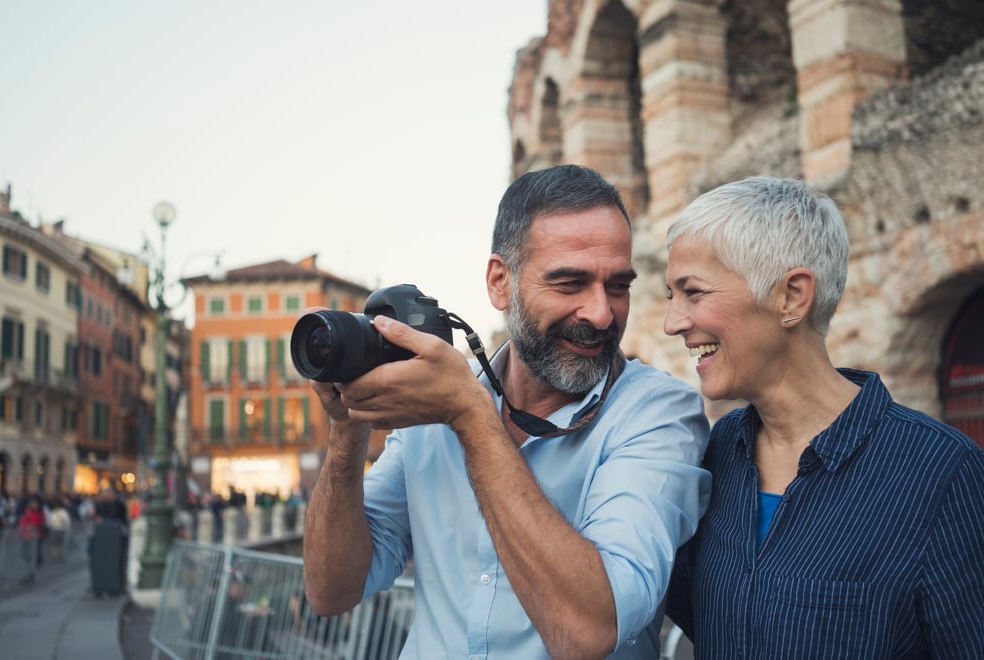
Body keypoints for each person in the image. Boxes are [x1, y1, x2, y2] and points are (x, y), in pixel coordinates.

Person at [302, 164, 711, 658]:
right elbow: (331, 590)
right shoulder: (434, 412)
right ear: (500, 283)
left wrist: (471, 416)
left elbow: (588, 631)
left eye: (618, 286)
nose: (602, 313)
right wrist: (346, 428)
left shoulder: (658, 415)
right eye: (569, 283)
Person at [662, 176, 984, 658]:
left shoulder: (940, 472)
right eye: (672, 296)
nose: (673, 322)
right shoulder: (718, 451)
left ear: (792, 296)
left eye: (693, 292)